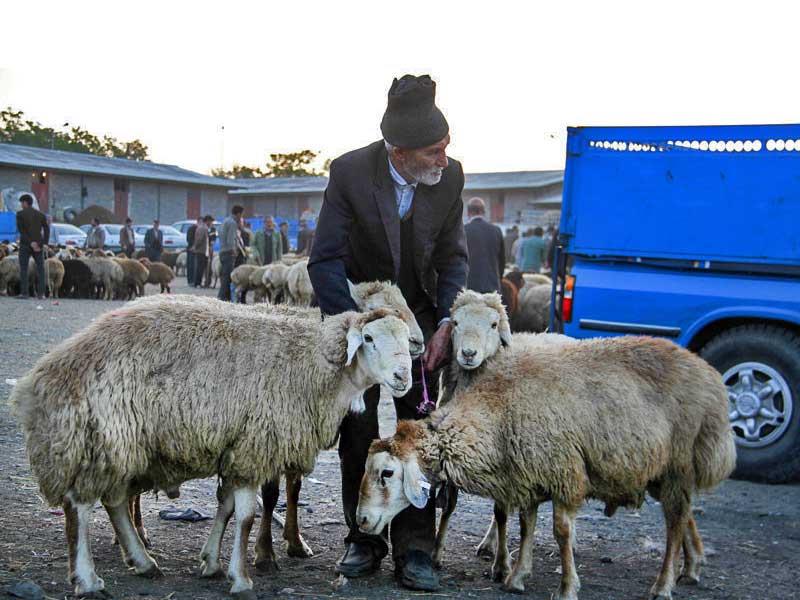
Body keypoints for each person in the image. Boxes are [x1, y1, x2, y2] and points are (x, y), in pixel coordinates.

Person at [308, 74, 467, 592]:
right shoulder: (351, 173)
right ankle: (364, 538)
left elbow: (452, 258)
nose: (444, 160)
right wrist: (354, 327)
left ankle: (416, 548)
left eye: (447, 148)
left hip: (418, 323)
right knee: (357, 432)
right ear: (399, 153)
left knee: (417, 432)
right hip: (365, 322)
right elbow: (325, 259)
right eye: (434, 152)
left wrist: (445, 321)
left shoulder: (453, 179)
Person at [464, 197, 505, 294]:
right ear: (484, 212)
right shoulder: (496, 230)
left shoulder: (463, 231)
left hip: (469, 287)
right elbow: (502, 261)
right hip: (492, 288)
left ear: (468, 212)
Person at [15, 193, 49, 299]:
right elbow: (47, 229)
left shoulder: (20, 214)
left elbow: (22, 231)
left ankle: (25, 293)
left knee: (24, 268)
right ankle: (41, 294)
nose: (21, 205)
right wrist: (42, 243)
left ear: (25, 203)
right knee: (40, 269)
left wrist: (30, 243)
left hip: (25, 245)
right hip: (38, 246)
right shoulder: (41, 215)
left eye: (21, 202)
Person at [218, 205, 244, 301]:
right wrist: (234, 251)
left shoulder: (225, 221)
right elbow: (231, 240)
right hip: (229, 253)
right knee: (228, 277)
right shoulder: (233, 223)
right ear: (238, 214)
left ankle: (225, 297)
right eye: (241, 215)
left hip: (222, 251)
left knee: (224, 276)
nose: (241, 217)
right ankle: (222, 298)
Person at [192, 215, 213, 287]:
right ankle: (197, 283)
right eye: (211, 221)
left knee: (204, 268)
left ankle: (204, 283)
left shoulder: (206, 228)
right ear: (207, 221)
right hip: (201, 251)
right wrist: (196, 247)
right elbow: (199, 240)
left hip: (205, 251)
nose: (211, 223)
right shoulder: (202, 228)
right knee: (200, 268)